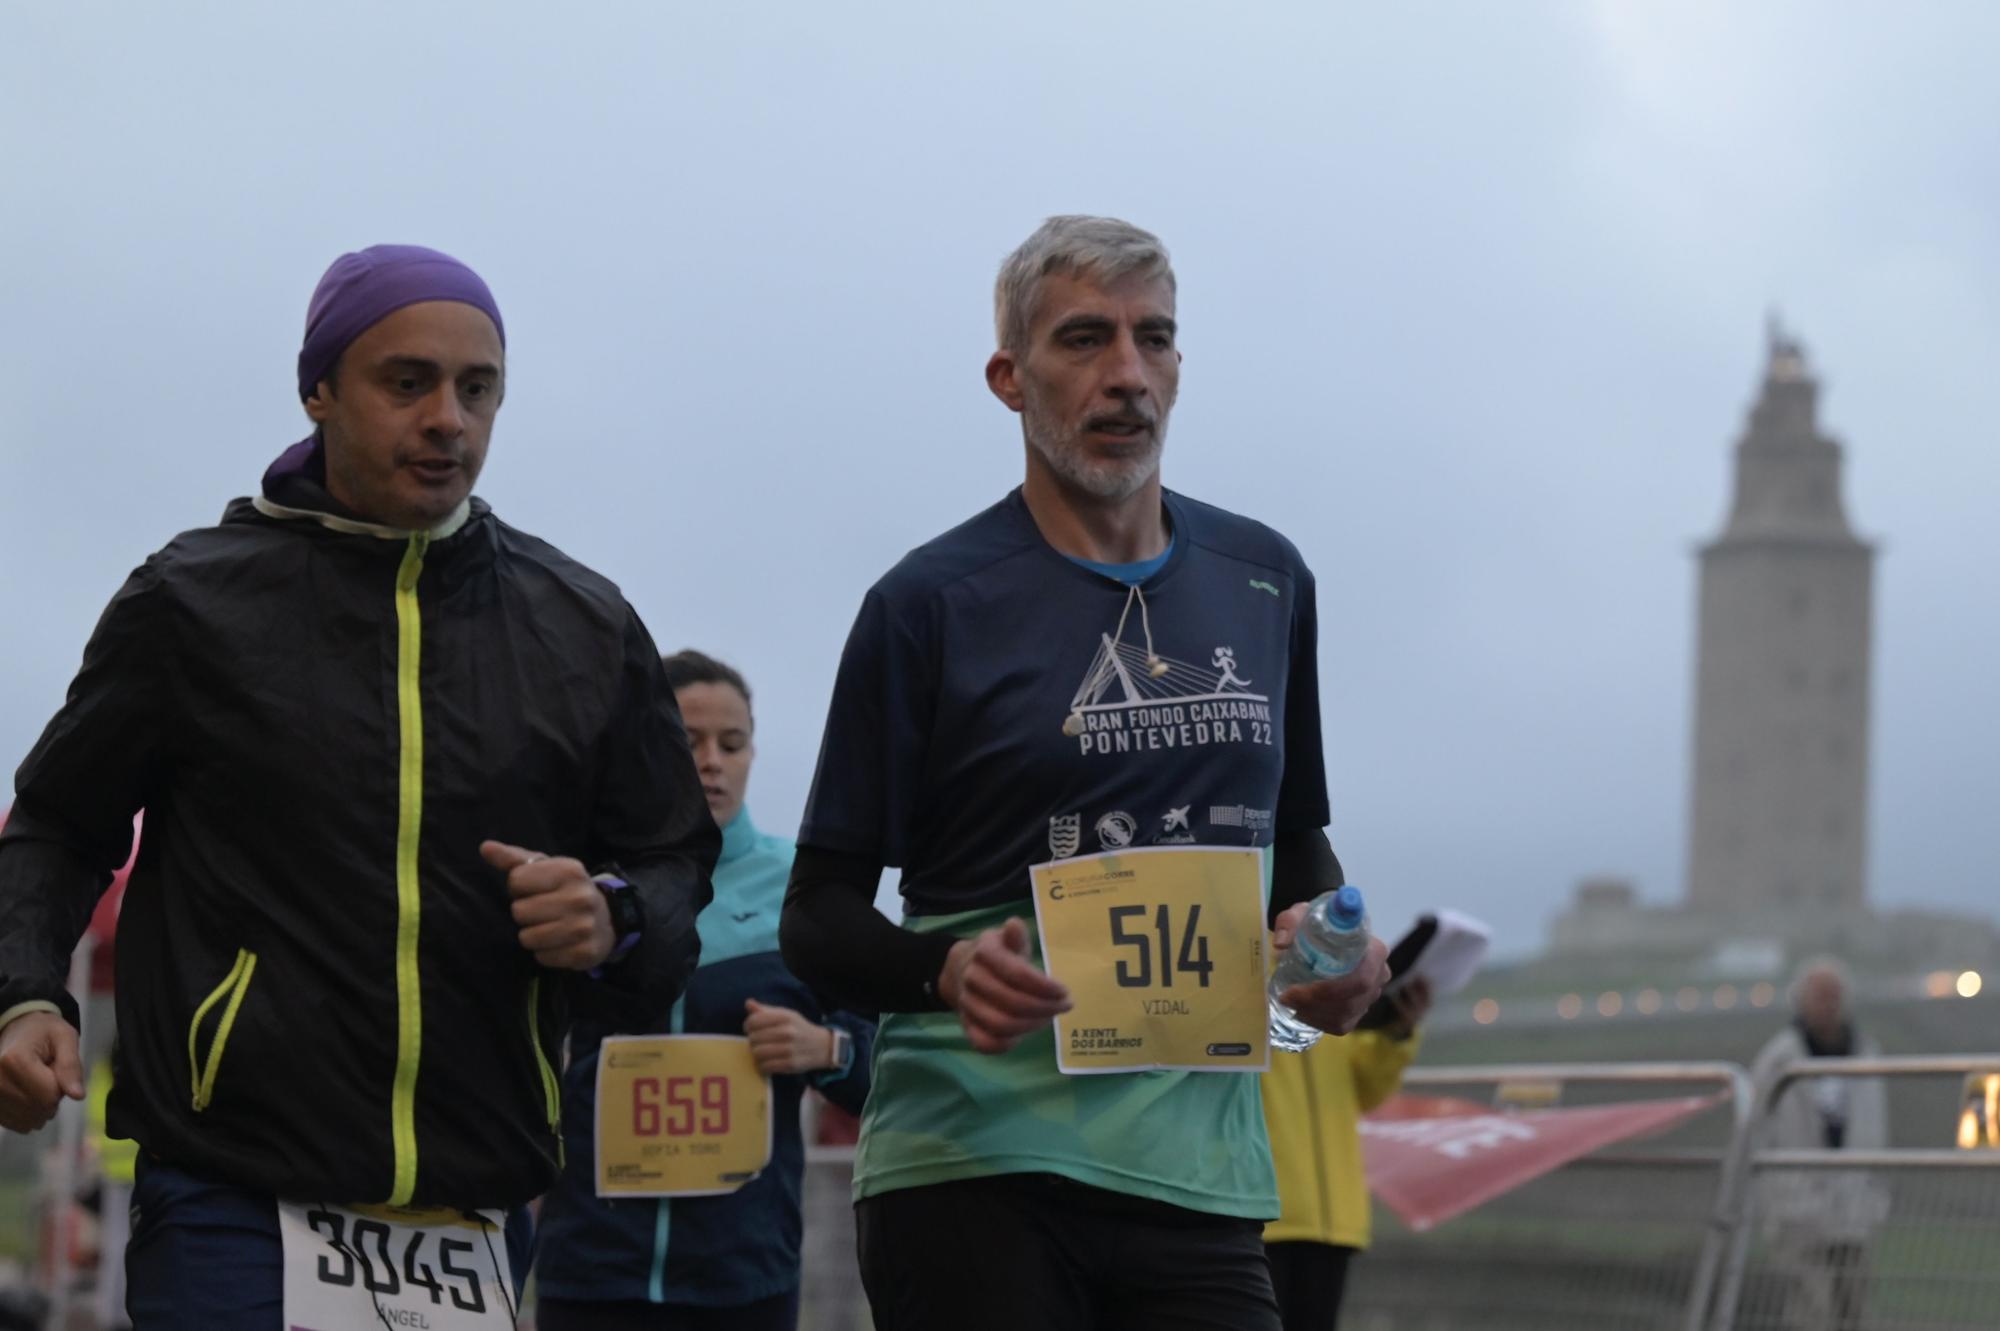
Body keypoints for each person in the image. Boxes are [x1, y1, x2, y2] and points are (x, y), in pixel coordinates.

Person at [0, 244, 718, 1327]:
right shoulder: (191, 603)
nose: (448, 419)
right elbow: (56, 825)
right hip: (230, 1188)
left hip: (475, 1211)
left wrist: (613, 915)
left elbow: (673, 865)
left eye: (478, 390)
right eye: (408, 381)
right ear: (318, 389)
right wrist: (23, 992)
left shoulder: (585, 623)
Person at [780, 215, 1389, 1331]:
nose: (1125, 376)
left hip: (1199, 1174)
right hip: (973, 1160)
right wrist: (946, 967)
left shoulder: (1266, 576)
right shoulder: (926, 604)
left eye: (1151, 339)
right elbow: (816, 917)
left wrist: (1337, 958)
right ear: (1008, 377)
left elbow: (1290, 842)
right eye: (1082, 341)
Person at [535, 650, 874, 1331]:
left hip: (744, 1274)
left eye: (732, 742)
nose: (712, 760)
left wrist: (826, 1046)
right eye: (687, 740)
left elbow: (892, 1067)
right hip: (591, 1267)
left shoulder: (800, 888)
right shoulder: (584, 889)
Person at [1260, 979, 1432, 1331]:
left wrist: (1396, 1032)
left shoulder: (1333, 967)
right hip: (1259, 1212)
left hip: (1332, 1218)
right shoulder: (1247, 960)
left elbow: (1366, 1090)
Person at [1747, 957, 1888, 1331]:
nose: (1829, 1005)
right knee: (1812, 1310)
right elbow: (1756, 1127)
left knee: (1855, 1308)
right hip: (1798, 1208)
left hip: (1855, 1206)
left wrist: (1875, 1191)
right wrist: (1775, 1195)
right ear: (1801, 1001)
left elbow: (1876, 1127)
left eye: (1835, 996)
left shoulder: (1866, 1052)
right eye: (1820, 997)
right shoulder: (1779, 1059)